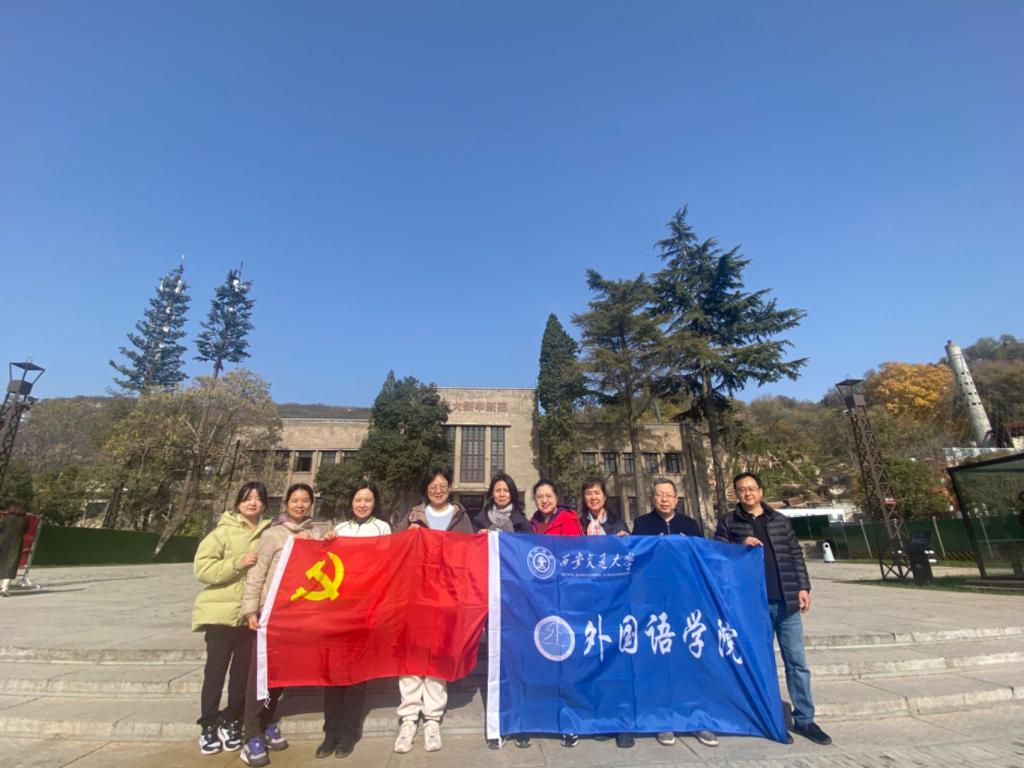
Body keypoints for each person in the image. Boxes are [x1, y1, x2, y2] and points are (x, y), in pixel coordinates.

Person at [715, 472, 832, 746]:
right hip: (753, 606)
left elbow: (794, 554)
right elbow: (717, 551)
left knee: (797, 663)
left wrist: (803, 587)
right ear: (736, 494)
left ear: (761, 491)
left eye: (752, 488)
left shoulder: (779, 520)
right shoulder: (729, 522)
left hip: (786, 601)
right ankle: (771, 718)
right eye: (742, 489)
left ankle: (805, 719)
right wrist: (739, 544)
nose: (747, 493)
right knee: (762, 663)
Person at [631, 479, 718, 749]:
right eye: (659, 495)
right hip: (655, 604)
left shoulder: (689, 525)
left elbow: (703, 559)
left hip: (686, 603)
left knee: (690, 660)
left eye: (669, 495)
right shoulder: (642, 525)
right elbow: (635, 560)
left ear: (676, 499)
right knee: (660, 662)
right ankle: (664, 719)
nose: (664, 499)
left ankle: (697, 719)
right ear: (652, 498)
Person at [391, 468, 473, 754]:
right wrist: (407, 535)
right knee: (412, 654)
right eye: (433, 486)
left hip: (446, 597)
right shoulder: (413, 516)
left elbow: (470, 554)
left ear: (449, 487)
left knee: (438, 654)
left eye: (443, 485)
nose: (438, 490)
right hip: (415, 596)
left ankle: (433, 718)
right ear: (425, 489)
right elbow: (395, 551)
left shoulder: (461, 518)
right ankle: (408, 718)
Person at [240, 483, 320, 767]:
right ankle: (251, 733)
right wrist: (250, 609)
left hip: (295, 616)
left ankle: (268, 721)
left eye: (305, 500)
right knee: (259, 675)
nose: (300, 504)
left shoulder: (314, 534)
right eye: (295, 500)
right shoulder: (273, 534)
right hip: (270, 614)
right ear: (286, 503)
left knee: (280, 674)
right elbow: (257, 574)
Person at [192, 482, 272, 755]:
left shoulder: (268, 534)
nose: (253, 503)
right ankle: (208, 725)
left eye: (258, 499)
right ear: (238, 502)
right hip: (221, 615)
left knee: (241, 676)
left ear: (264, 504)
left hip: (250, 617)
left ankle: (232, 720)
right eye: (248, 498)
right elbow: (202, 568)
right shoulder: (221, 532)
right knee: (214, 673)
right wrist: (237, 564)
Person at [317, 480, 392, 759]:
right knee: (332, 673)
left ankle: (348, 733)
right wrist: (326, 543)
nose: (362, 504)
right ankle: (330, 733)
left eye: (367, 500)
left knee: (356, 673)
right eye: (358, 499)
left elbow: (385, 566)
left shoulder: (382, 528)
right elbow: (325, 565)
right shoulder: (340, 530)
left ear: (375, 503)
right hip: (337, 610)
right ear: (351, 502)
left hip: (364, 609)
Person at [0, 505, 30, 597]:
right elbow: (25, 531)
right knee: (11, 565)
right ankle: (4, 588)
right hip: (16, 545)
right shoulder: (25, 520)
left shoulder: (6, 518)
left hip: (2, 542)